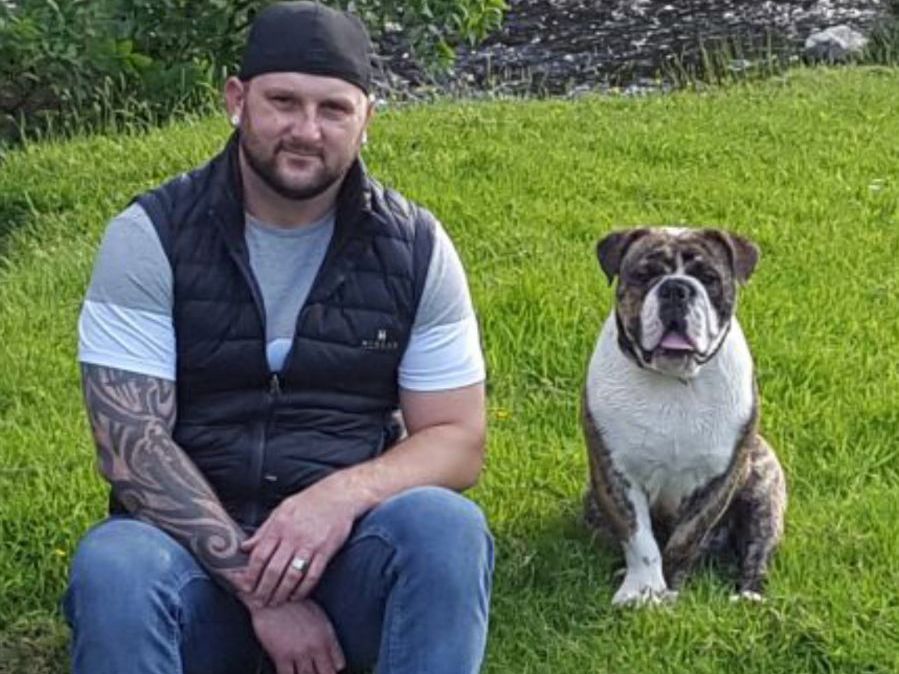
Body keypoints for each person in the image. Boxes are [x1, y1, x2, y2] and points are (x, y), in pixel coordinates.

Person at [63, 2, 493, 673]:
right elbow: (130, 446)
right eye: (282, 102)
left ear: (367, 119)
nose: (306, 130)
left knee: (445, 527)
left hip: (344, 566)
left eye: (333, 109)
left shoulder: (415, 248)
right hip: (187, 572)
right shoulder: (150, 236)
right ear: (237, 101)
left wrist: (335, 499)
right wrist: (262, 592)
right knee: (114, 563)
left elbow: (457, 439)